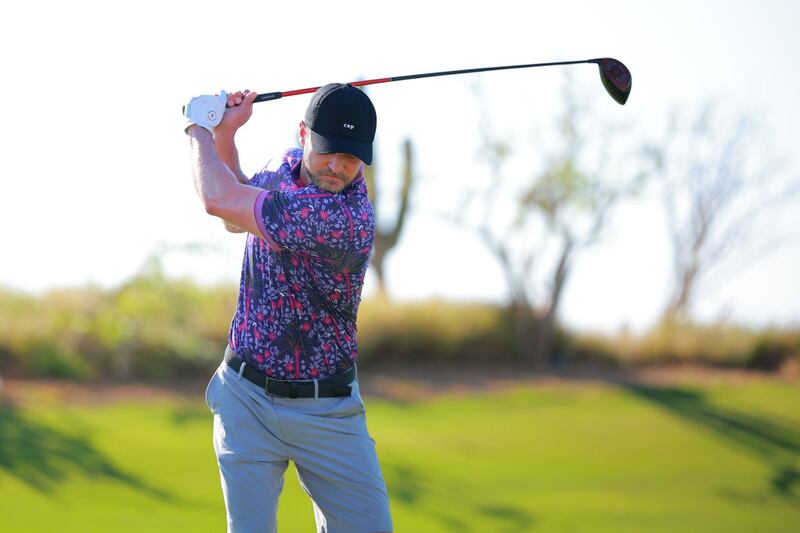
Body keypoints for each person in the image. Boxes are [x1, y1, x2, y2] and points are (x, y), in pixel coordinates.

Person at [183, 83, 393, 533]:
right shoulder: (282, 167)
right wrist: (227, 135)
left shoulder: (345, 220)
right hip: (246, 398)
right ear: (303, 135)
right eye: (328, 152)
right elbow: (234, 212)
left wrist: (197, 126)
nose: (338, 167)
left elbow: (216, 198)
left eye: (352, 159)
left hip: (328, 411)